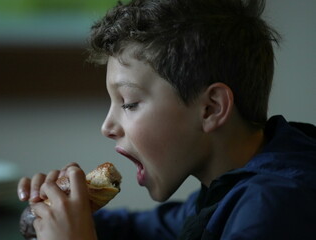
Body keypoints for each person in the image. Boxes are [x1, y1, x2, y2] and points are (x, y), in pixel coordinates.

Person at [17, 0, 316, 239]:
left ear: (211, 108)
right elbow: (133, 229)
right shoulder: (222, 192)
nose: (107, 127)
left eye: (130, 103)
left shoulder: (273, 207)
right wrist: (54, 210)